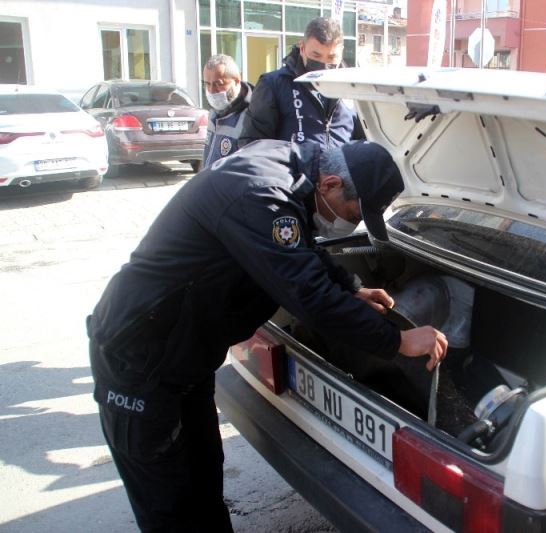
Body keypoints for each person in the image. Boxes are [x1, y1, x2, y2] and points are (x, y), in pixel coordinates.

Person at [86, 139, 447, 532]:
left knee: (204, 478)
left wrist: (349, 286)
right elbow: (308, 295)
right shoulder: (261, 193)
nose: (349, 221)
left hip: (185, 354)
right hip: (140, 358)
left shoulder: (292, 171)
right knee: (169, 504)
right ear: (329, 184)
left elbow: (299, 247)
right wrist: (397, 341)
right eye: (351, 211)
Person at [238, 16, 364, 148]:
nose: (324, 64)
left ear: (341, 52)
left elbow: (365, 142)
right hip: (292, 168)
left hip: (341, 168)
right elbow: (252, 146)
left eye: (332, 57)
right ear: (302, 48)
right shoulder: (273, 84)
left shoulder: (353, 88)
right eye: (316, 56)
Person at [201, 54, 253, 169]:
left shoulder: (252, 116)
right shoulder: (214, 112)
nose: (211, 91)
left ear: (236, 81)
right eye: (207, 84)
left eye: (218, 84)